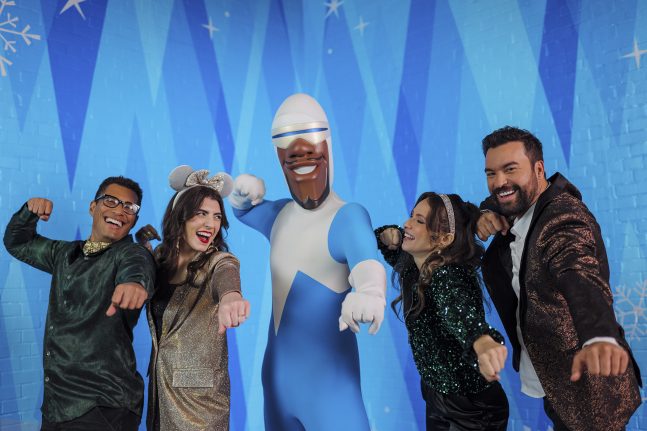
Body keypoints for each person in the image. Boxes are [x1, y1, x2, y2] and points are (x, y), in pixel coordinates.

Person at [228, 93, 387, 430]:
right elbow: (243, 212)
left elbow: (366, 262)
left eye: (310, 153)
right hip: (276, 384)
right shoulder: (280, 214)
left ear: (327, 148)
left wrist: (371, 292)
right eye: (292, 157)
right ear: (280, 158)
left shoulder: (347, 217)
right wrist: (240, 196)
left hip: (330, 388)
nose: (302, 160)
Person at [477, 126, 641, 430]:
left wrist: (599, 335)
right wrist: (482, 213)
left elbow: (578, 272)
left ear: (539, 169)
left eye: (510, 169)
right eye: (491, 173)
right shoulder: (520, 209)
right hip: (555, 380)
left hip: (589, 387)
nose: (499, 182)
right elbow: (481, 203)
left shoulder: (562, 218)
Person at [3, 176, 155, 430]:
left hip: (104, 405)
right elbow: (17, 243)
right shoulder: (65, 253)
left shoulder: (131, 253)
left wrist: (135, 284)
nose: (120, 210)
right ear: (93, 207)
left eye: (129, 207)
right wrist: (28, 212)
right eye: (111, 201)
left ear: (134, 220)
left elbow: (138, 268)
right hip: (57, 405)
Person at [376, 192, 509, 430]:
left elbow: (458, 309)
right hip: (437, 396)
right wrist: (388, 234)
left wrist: (481, 341)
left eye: (419, 220)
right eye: (410, 216)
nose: (407, 223)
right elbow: (386, 241)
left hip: (472, 409)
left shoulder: (448, 275)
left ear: (443, 239)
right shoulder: (413, 269)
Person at [136, 166, 250, 431]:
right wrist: (142, 248)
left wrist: (231, 297)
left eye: (217, 217)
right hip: (160, 395)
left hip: (200, 408)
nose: (210, 224)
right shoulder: (160, 259)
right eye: (201, 214)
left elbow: (227, 277)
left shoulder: (219, 262)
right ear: (181, 218)